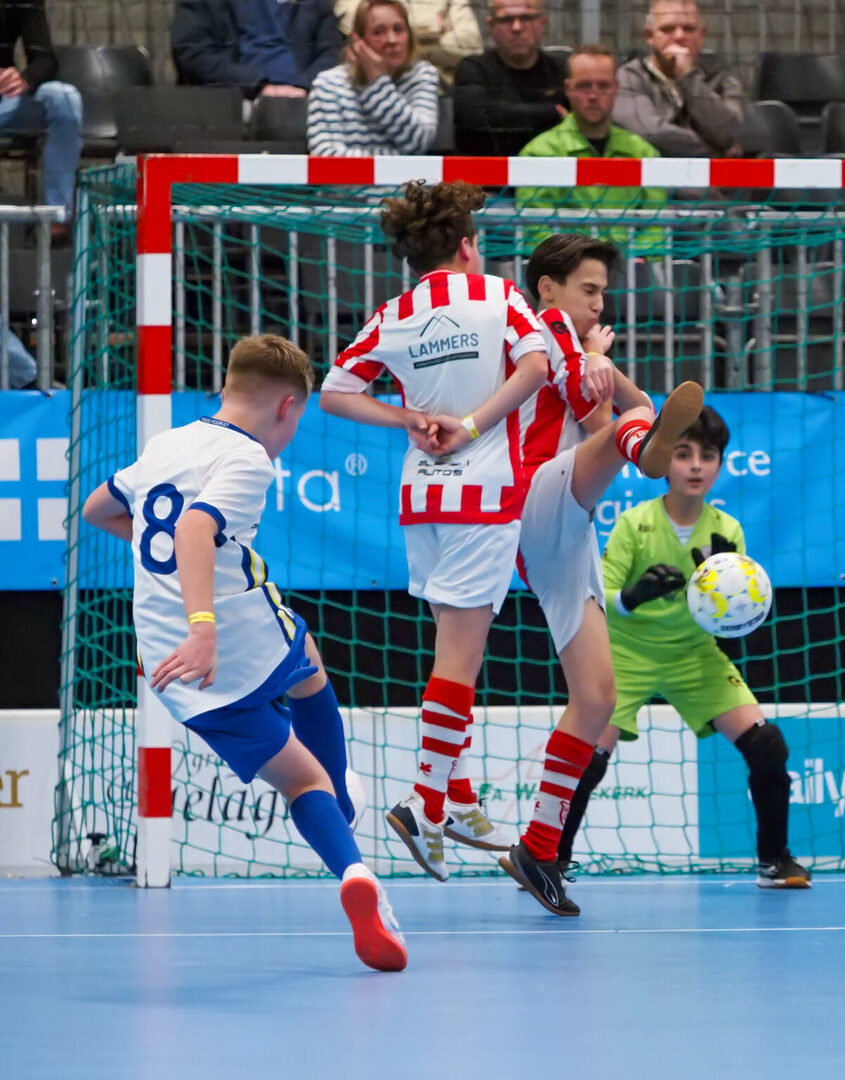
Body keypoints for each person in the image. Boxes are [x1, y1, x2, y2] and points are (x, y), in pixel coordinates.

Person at [79, 335, 406, 971]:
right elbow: (195, 527)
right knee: (306, 696)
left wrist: (167, 570)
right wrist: (203, 625)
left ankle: (352, 856)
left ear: (227, 387)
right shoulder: (250, 458)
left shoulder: (166, 444)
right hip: (224, 635)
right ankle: (347, 836)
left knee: (299, 748)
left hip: (167, 663)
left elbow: (98, 509)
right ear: (288, 407)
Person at [319, 180, 553, 882]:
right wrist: (472, 425)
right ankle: (423, 806)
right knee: (460, 659)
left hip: (422, 495)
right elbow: (538, 368)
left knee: (452, 651)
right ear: (466, 246)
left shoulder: (394, 314)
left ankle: (457, 797)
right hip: (484, 493)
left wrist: (408, 418)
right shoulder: (500, 296)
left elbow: (334, 391)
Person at [499, 233, 704, 915]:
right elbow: (599, 419)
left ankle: (539, 849)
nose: (598, 303)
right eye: (589, 290)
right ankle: (643, 453)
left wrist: (609, 374)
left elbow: (642, 406)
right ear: (549, 288)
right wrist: (602, 375)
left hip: (569, 522)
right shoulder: (543, 327)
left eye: (604, 294)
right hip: (536, 491)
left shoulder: (580, 348)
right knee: (624, 431)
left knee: (596, 697)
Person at [551, 405, 812, 890]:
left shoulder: (727, 531)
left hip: (695, 655)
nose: (695, 465)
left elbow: (736, 620)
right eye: (683, 453)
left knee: (768, 745)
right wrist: (633, 597)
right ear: (665, 461)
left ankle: (775, 861)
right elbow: (599, 599)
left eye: (706, 456)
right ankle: (551, 859)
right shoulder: (634, 524)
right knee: (588, 757)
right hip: (627, 654)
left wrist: (722, 592)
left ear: (719, 465)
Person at [517, 45, 666, 253]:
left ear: (616, 88)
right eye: (584, 86)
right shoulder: (539, 154)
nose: (594, 95)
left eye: (603, 86)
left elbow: (656, 226)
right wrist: (574, 263)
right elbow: (535, 231)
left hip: (631, 268)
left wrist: (633, 260)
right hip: (564, 267)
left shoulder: (643, 153)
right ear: (568, 89)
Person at [614, 0, 746, 157]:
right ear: (650, 36)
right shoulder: (629, 77)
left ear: (702, 35)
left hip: (712, 173)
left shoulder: (723, 82)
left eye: (689, 29)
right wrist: (718, 151)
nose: (679, 36)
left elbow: (732, 133)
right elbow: (651, 134)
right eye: (667, 29)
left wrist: (687, 76)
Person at [307, 0, 439, 156]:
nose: (392, 40)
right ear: (359, 41)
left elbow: (418, 142)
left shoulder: (422, 75)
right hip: (352, 175)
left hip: (402, 175)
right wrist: (391, 161)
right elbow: (325, 155)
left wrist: (377, 82)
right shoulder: (329, 84)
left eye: (398, 29)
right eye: (378, 32)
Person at [0, 1, 80, 223]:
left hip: (5, 98)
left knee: (64, 97)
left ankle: (57, 217)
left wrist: (23, 79)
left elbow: (45, 58)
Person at [453, 0, 566, 155]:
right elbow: (476, 115)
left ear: (543, 23)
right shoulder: (473, 69)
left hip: (550, 166)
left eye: (526, 18)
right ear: (491, 25)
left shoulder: (560, 70)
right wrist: (553, 113)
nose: (516, 28)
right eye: (506, 20)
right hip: (487, 166)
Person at [172, 0, 343, 100]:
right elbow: (193, 53)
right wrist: (258, 87)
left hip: (307, 96)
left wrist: (304, 87)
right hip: (237, 97)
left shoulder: (314, 4)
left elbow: (333, 52)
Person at [334, 0, 483, 80]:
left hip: (439, 87)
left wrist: (417, 48)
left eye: (398, 30)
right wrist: (432, 33)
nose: (393, 39)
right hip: (368, 80)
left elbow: (472, 42)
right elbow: (356, 25)